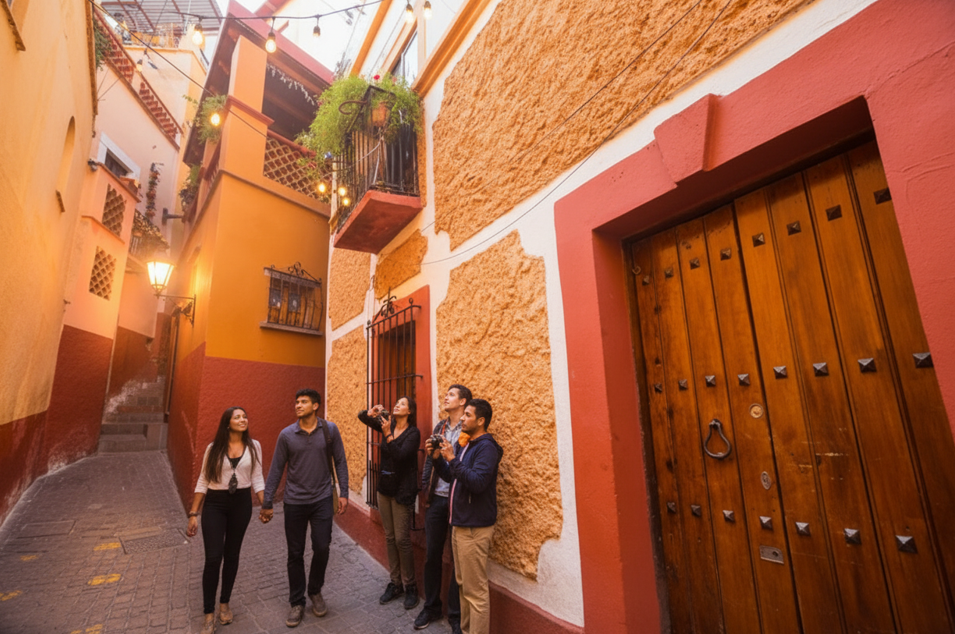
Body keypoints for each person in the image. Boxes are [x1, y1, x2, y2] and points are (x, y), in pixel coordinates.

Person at [258, 388, 349, 628]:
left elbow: (340, 460)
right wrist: (267, 502)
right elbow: (277, 468)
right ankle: (296, 601)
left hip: (321, 499)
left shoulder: (329, 430)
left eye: (304, 402)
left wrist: (345, 493)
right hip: (295, 501)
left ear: (316, 405)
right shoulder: (287, 435)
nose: (298, 405)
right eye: (296, 402)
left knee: (322, 546)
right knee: (295, 553)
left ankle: (315, 590)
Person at [186, 407, 265, 634]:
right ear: (227, 423)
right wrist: (193, 514)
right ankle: (208, 613)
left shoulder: (254, 446)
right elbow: (203, 480)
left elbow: (257, 477)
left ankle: (224, 603)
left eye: (245, 416)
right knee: (213, 558)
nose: (243, 419)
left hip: (241, 503)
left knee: (232, 555)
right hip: (215, 504)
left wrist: (265, 504)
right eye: (237, 417)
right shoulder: (214, 448)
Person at [429, 399, 502, 634]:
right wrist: (439, 458)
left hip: (474, 528)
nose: (462, 418)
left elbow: (478, 483)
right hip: (460, 524)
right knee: (463, 587)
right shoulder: (467, 443)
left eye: (467, 415)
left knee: (476, 592)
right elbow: (453, 477)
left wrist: (452, 459)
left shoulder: (486, 447)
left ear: (481, 421)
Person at [414, 385, 472, 632]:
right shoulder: (440, 427)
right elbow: (430, 457)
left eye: (451, 395)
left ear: (463, 402)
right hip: (437, 500)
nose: (446, 398)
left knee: (458, 561)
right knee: (432, 555)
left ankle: (455, 616)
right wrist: (425, 486)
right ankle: (431, 606)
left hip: (458, 501)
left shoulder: (469, 428)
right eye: (446, 394)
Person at [358, 396, 422, 610]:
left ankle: (410, 586)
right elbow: (361, 418)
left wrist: (388, 435)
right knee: (390, 536)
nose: (396, 405)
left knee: (402, 539)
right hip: (384, 489)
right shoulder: (389, 424)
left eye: (402, 404)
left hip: (402, 492)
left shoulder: (413, 433)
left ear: (410, 411)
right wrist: (371, 412)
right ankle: (395, 583)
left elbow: (401, 456)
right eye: (396, 403)